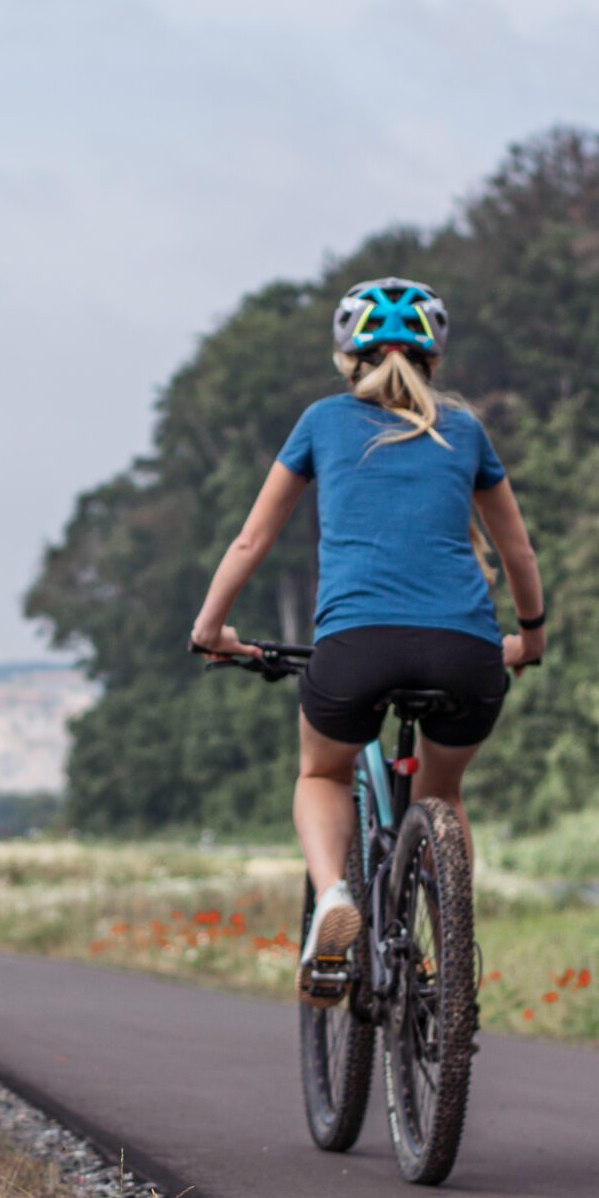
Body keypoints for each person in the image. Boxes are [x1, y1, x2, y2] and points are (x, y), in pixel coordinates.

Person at [190, 278, 547, 1004]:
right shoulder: (466, 432)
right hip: (467, 654)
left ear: (346, 358)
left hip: (356, 647)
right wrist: (530, 637)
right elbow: (518, 555)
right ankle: (450, 958)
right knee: (442, 791)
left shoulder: (322, 421)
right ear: (434, 361)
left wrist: (210, 629)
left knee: (323, 773)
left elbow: (253, 538)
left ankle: (330, 900)